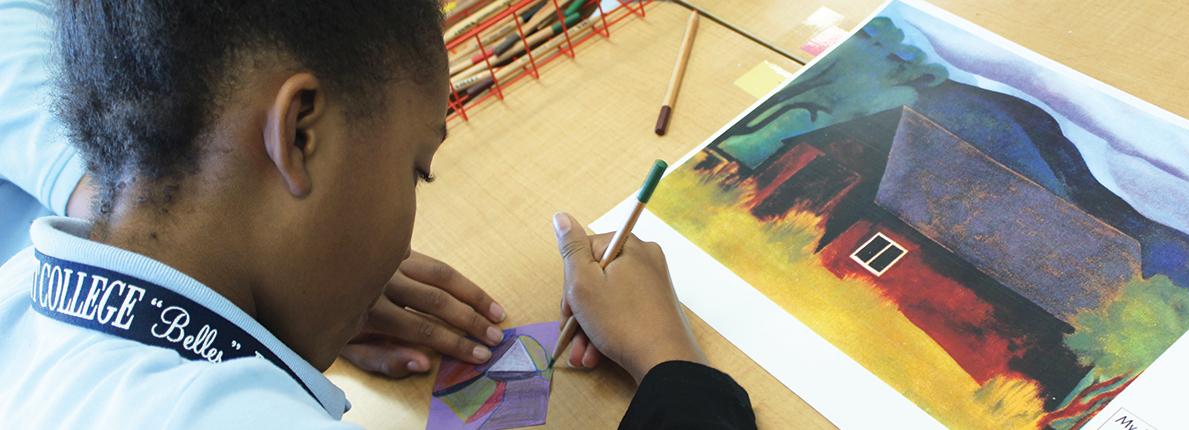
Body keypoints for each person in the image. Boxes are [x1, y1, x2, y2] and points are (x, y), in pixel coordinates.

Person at [0, 1, 756, 429]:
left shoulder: (23, 296)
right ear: (299, 134)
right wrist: (672, 365)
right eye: (416, 168)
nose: (407, 227)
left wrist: (290, 272)